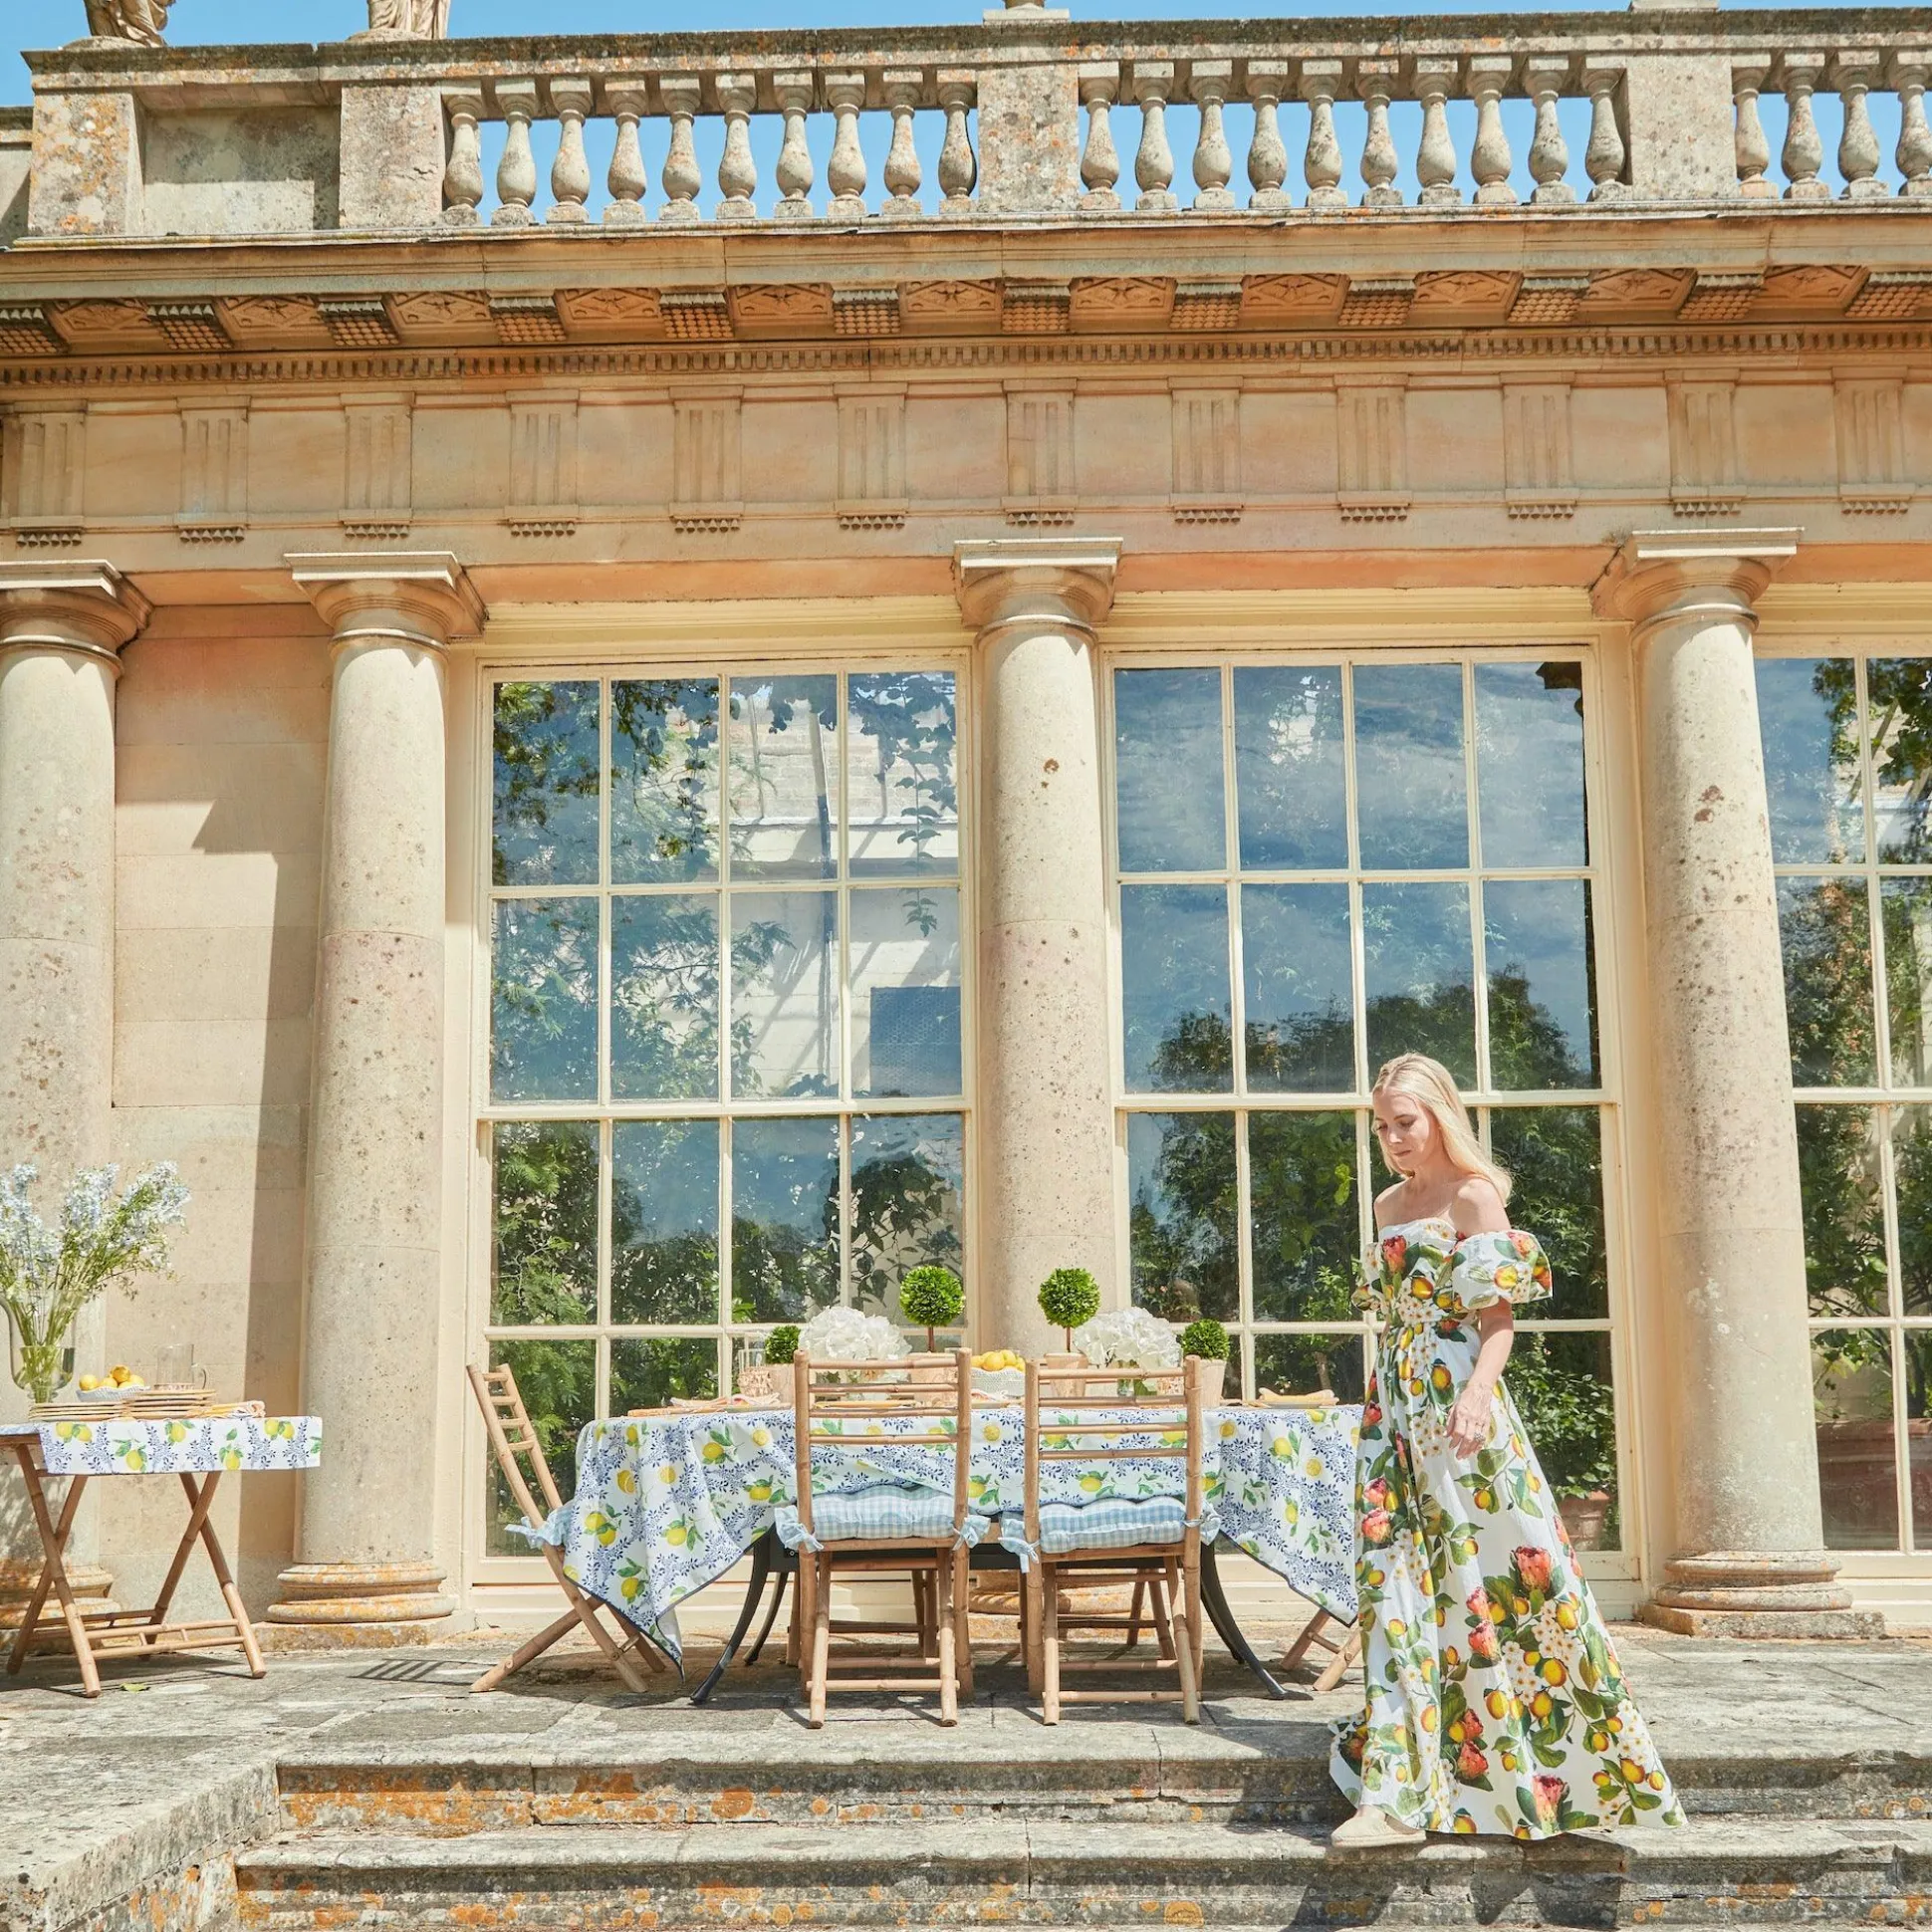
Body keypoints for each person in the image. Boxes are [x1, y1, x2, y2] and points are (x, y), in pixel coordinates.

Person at [1329, 1053, 1683, 1846]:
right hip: (1396, 1409)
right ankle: (1392, 1795)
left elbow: (1498, 1322)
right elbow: (1396, 1313)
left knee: (1504, 1578)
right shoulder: (1387, 1205)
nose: (1393, 1138)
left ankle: (1559, 1776)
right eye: (1382, 1127)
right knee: (1393, 1581)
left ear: (1439, 1115)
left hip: (1462, 1403)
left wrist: (1477, 1397)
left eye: (1404, 1123)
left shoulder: (1474, 1196)